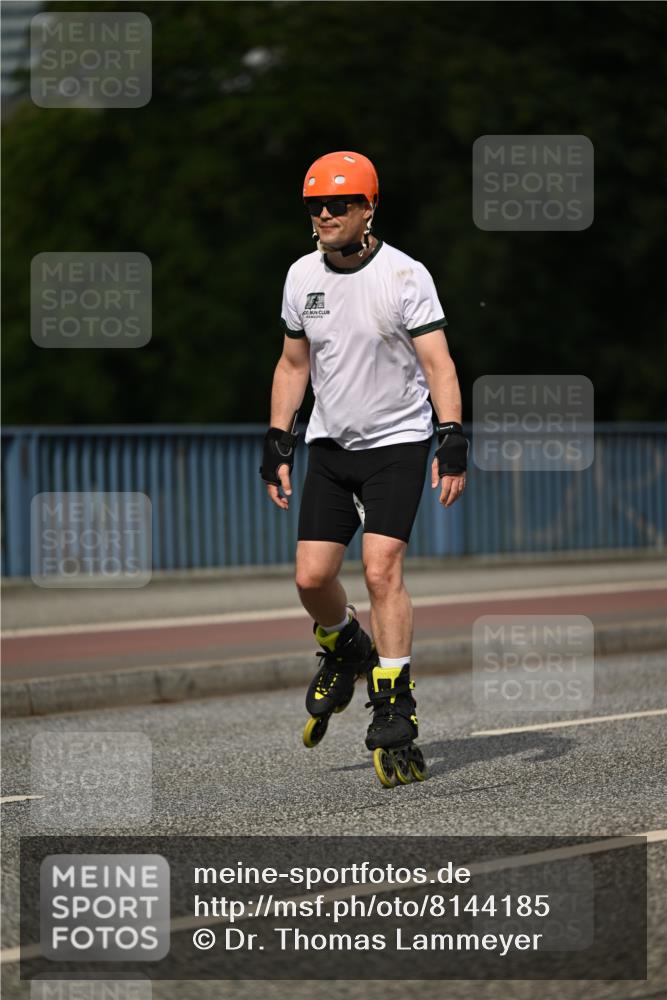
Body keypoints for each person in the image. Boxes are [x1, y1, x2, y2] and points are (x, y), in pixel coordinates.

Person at [260, 151, 467, 786]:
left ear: (368, 208)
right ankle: (346, 643)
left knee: (381, 570)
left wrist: (451, 437)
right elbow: (293, 365)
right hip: (330, 447)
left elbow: (438, 363)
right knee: (310, 578)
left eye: (338, 204)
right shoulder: (301, 276)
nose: (324, 214)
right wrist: (277, 440)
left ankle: (395, 703)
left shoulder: (404, 275)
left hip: (398, 444)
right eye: (314, 204)